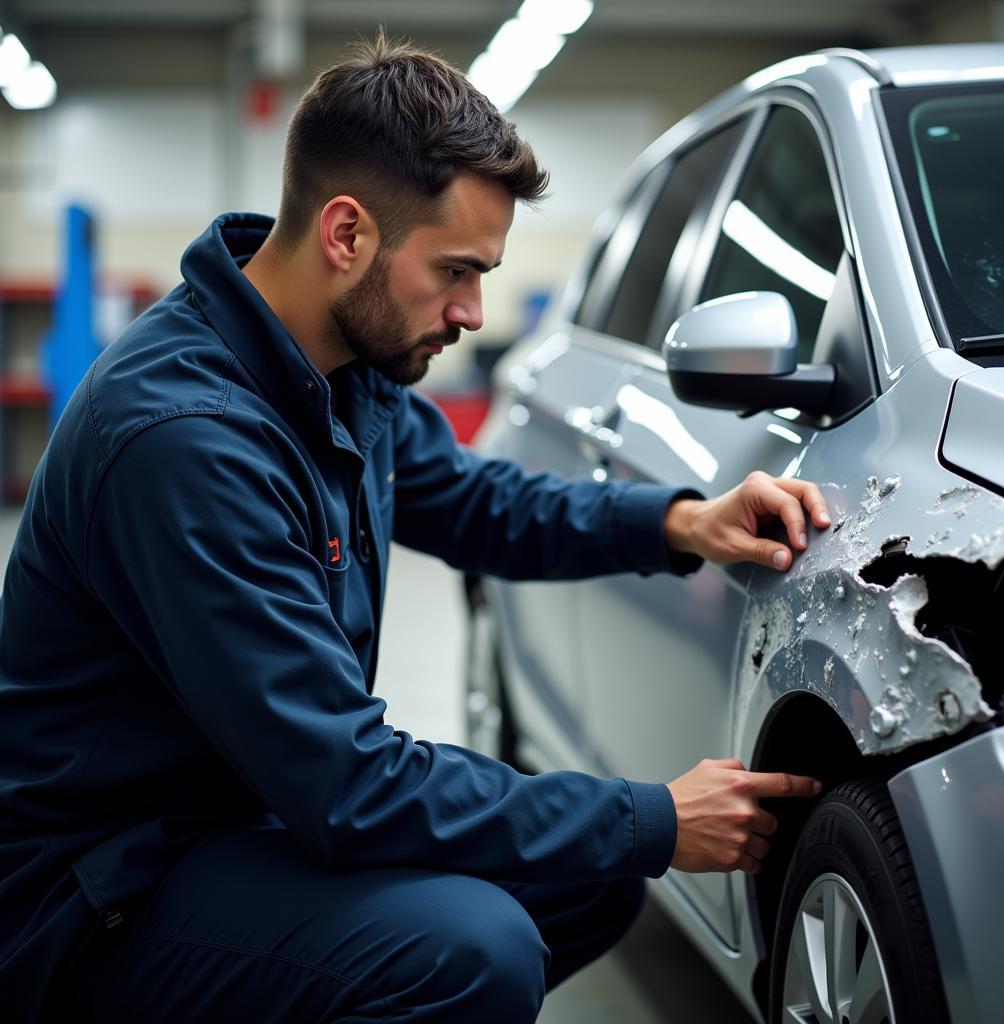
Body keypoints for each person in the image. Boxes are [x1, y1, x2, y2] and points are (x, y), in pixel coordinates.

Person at [0, 35, 830, 1023]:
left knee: (590, 871)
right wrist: (652, 814)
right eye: (454, 272)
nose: (475, 312)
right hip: (105, 893)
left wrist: (684, 521)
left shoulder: (344, 366)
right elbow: (347, 784)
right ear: (347, 234)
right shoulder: (182, 441)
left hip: (243, 815)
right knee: (470, 949)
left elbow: (480, 503)